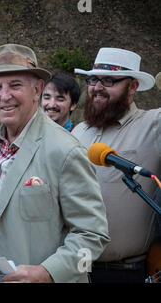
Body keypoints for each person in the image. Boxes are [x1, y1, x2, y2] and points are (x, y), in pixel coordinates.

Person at [0, 44, 110, 283]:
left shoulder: (66, 150)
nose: (5, 96)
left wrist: (48, 273)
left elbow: (92, 235)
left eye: (15, 85)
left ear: (37, 90)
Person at [72, 47, 161, 283]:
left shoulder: (153, 125)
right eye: (93, 79)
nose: (97, 87)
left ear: (132, 86)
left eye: (109, 80)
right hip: (73, 268)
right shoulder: (79, 131)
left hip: (126, 272)